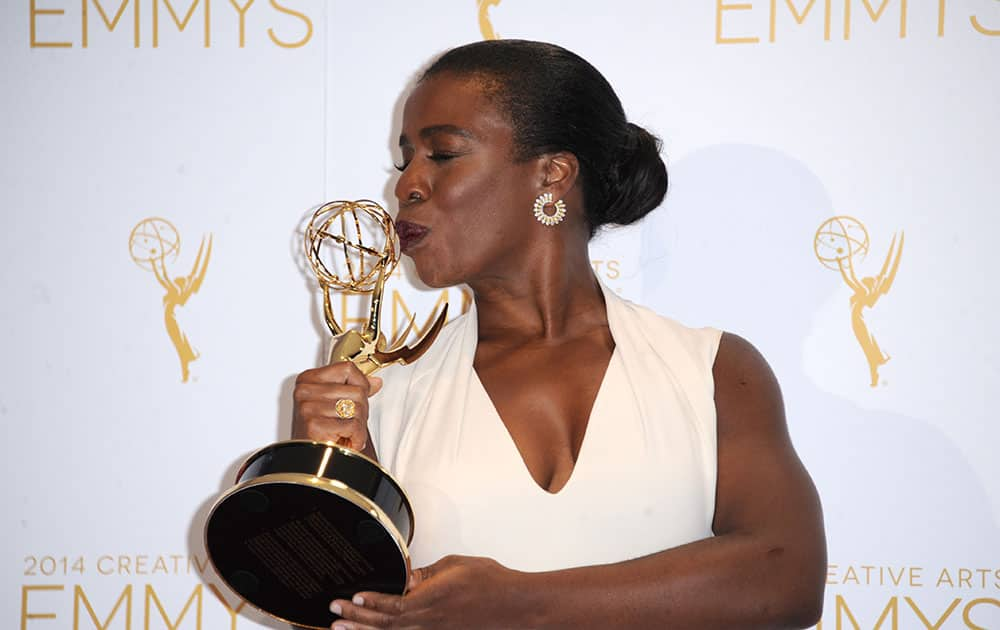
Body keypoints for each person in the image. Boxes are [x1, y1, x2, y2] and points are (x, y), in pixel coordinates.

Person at [292, 40, 825, 629]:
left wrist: (520, 603)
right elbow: (341, 610)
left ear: (552, 174)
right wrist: (325, 481)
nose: (407, 185)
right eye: (405, 159)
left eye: (442, 154)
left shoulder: (713, 371)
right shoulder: (381, 396)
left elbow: (787, 579)